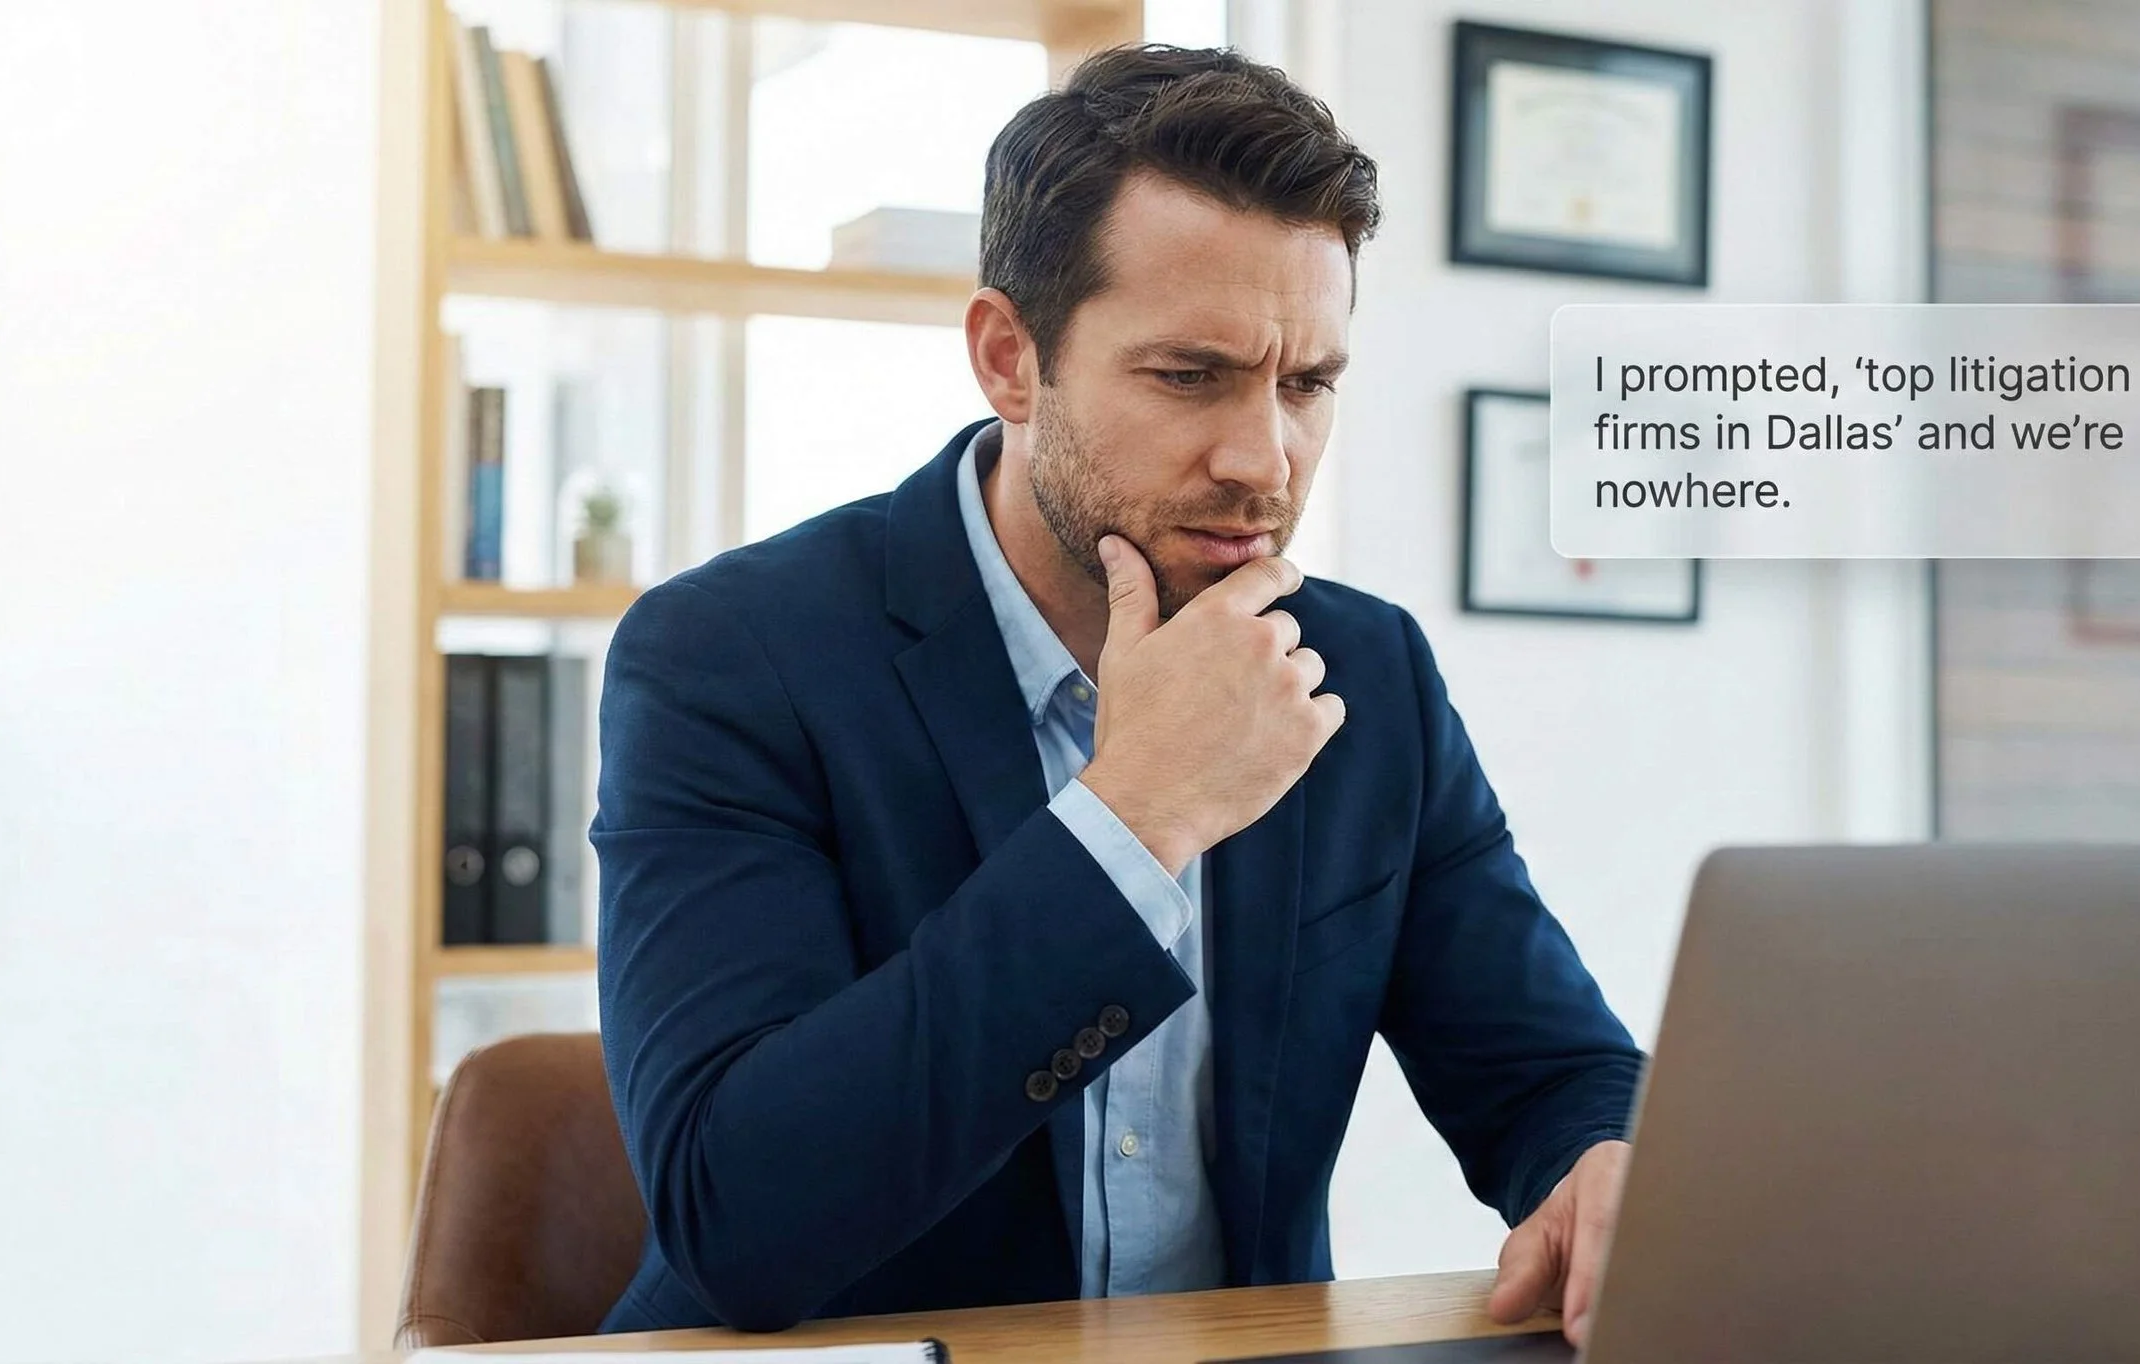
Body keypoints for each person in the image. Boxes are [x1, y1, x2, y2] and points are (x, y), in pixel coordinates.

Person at [592, 42, 1644, 1350]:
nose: (1266, 458)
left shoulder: (1366, 676)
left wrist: (1604, 1163)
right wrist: (1134, 815)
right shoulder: (729, 658)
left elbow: (1549, 1072)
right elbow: (738, 1219)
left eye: (1308, 384)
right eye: (1190, 376)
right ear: (1008, 358)